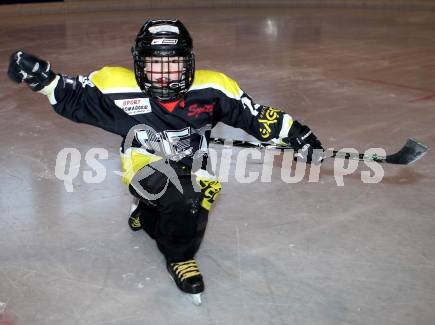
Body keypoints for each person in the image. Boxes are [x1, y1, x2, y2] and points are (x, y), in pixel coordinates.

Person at [7, 19, 323, 305]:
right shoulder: (116, 85)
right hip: (143, 162)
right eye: (154, 65)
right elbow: (73, 96)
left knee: (195, 200)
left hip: (194, 162)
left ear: (189, 64)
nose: (163, 74)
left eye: (173, 64)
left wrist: (298, 135)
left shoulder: (213, 88)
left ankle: (145, 214)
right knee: (184, 198)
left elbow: (253, 117)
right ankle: (179, 256)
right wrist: (43, 78)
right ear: (138, 65)